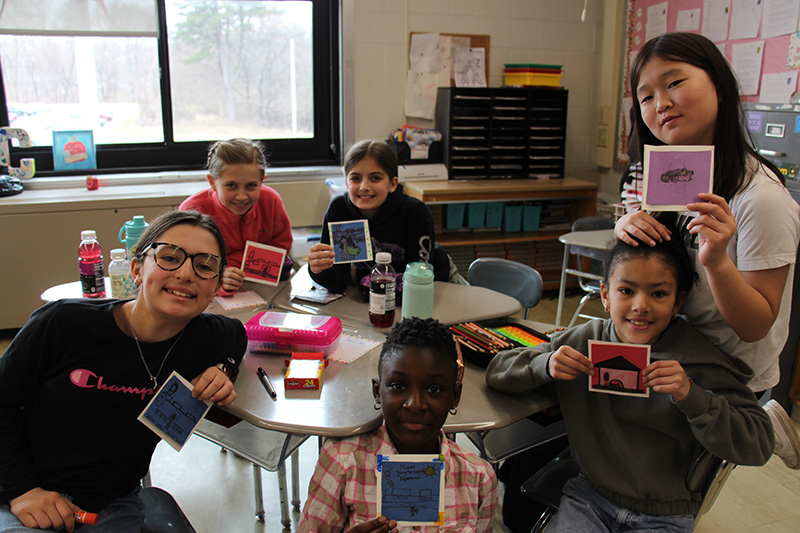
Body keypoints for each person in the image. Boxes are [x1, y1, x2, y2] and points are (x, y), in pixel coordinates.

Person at [486, 234, 774, 532]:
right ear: (606, 295)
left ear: (679, 302)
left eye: (658, 294)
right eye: (626, 290)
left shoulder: (698, 359)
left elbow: (759, 444)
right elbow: (498, 371)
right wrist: (544, 365)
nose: (640, 306)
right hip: (590, 497)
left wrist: (692, 396)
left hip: (665, 513)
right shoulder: (585, 340)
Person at [615, 32, 800, 468]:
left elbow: (756, 325)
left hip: (723, 378)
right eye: (646, 96)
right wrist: (625, 228)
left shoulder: (762, 200)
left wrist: (716, 261)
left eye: (675, 83)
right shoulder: (667, 178)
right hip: (670, 351)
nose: (660, 103)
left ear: (719, 84)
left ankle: (759, 425)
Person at [0, 210, 247, 532]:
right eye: (170, 258)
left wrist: (224, 368)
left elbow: (236, 335)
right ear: (136, 269)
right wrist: (22, 490)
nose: (186, 274)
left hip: (112, 501)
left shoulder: (205, 338)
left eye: (204, 266)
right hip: (23, 489)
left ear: (215, 286)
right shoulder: (63, 324)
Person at [298, 317, 497, 532]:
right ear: (377, 392)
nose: (415, 405)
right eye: (398, 385)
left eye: (434, 390)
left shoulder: (479, 479)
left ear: (454, 397)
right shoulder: (342, 462)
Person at [307, 140, 447, 293]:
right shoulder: (339, 210)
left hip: (434, 284)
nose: (364, 187)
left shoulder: (415, 212)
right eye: (355, 178)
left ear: (393, 184)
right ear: (346, 182)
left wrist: (357, 275)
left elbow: (418, 279)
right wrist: (317, 269)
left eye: (375, 178)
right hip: (371, 294)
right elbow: (339, 279)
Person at [180, 138, 293, 296]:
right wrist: (219, 276)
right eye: (231, 186)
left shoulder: (271, 201)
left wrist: (233, 261)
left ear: (262, 181)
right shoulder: (192, 210)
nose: (241, 196)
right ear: (212, 182)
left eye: (251, 186)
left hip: (265, 289)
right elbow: (188, 264)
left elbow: (282, 247)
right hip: (210, 291)